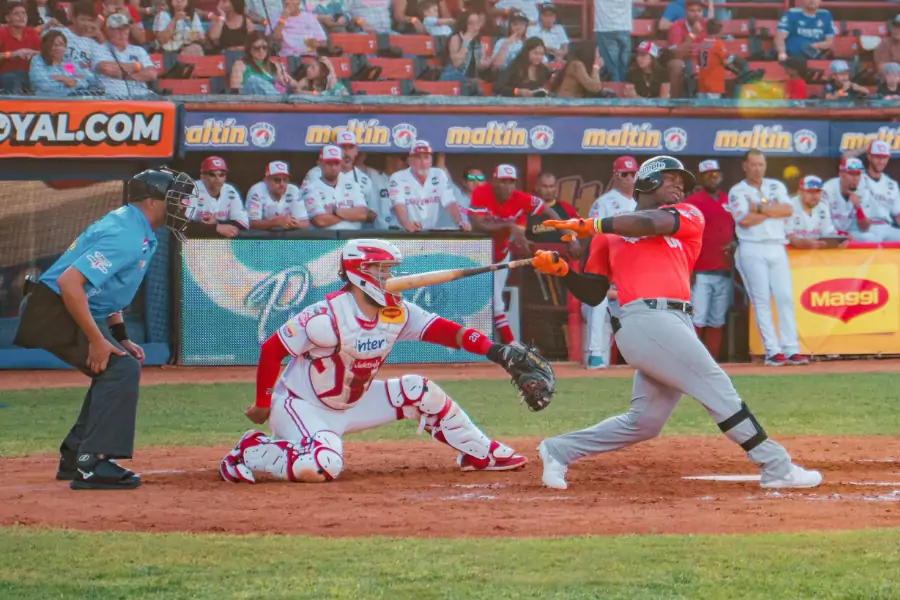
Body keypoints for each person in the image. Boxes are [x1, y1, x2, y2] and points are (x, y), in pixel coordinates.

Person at [533, 155, 823, 491]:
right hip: (643, 319)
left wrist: (595, 224)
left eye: (682, 184)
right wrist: (563, 271)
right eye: (671, 180)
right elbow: (594, 293)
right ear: (648, 182)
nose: (678, 187)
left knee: (644, 422)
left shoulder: (687, 215)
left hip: (677, 321)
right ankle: (776, 465)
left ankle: (558, 450)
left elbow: (649, 223)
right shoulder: (607, 235)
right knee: (716, 385)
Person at [218, 238, 532, 484]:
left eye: (390, 270)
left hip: (352, 404)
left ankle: (480, 453)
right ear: (360, 273)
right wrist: (263, 402)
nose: (390, 277)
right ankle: (250, 450)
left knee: (419, 390)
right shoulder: (325, 318)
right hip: (302, 406)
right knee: (322, 466)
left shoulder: (397, 311)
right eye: (382, 270)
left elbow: (448, 332)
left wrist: (496, 351)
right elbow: (272, 350)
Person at [13, 167, 196, 491]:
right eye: (175, 198)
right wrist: (99, 341)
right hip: (53, 308)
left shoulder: (138, 229)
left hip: (64, 306)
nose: (182, 205)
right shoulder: (126, 233)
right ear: (152, 202)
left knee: (118, 365)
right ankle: (92, 462)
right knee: (120, 370)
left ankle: (76, 458)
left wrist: (120, 337)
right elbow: (71, 284)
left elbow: (108, 292)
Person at [728, 149, 805, 367]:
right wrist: (772, 210)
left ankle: (791, 348)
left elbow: (788, 209)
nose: (758, 169)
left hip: (777, 246)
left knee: (785, 298)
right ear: (745, 166)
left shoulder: (776, 186)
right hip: (752, 246)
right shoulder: (737, 190)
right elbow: (744, 220)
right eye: (753, 164)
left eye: (761, 164)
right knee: (761, 300)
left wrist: (759, 207)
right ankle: (773, 350)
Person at [468, 163, 552, 344]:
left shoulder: (519, 198)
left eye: (511, 182)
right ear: (494, 181)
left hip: (501, 255)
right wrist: (508, 226)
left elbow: (547, 209)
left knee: (495, 303)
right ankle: (512, 346)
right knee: (493, 303)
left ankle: (504, 347)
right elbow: (479, 224)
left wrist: (570, 234)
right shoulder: (482, 192)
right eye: (503, 181)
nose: (507, 186)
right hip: (478, 255)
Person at [583, 156, 637, 369]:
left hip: (632, 270)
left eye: (633, 174)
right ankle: (594, 354)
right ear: (615, 176)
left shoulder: (642, 203)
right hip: (607, 267)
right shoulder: (604, 202)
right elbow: (594, 233)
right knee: (599, 300)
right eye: (624, 174)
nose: (629, 178)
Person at [685, 159, 734, 360]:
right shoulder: (694, 202)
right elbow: (687, 237)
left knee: (717, 319)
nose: (712, 179)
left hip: (724, 269)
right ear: (701, 178)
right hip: (701, 271)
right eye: (707, 175)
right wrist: (690, 269)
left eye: (715, 175)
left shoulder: (728, 200)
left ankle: (711, 359)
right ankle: (693, 359)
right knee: (698, 317)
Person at [389, 140, 468, 232]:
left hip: (428, 231)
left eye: (426, 158)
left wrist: (460, 222)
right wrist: (408, 224)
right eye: (418, 158)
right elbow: (399, 206)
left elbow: (450, 203)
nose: (423, 162)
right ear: (409, 161)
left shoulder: (439, 174)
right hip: (401, 232)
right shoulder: (398, 177)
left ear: (431, 160)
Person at [303, 145, 375, 231]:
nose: (333, 168)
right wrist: (351, 214)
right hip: (324, 240)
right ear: (321, 164)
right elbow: (320, 221)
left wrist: (334, 211)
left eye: (336, 163)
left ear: (341, 164)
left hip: (352, 239)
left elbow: (362, 214)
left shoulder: (353, 185)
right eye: (329, 163)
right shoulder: (310, 188)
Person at [93, 13, 158, 98]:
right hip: (113, 98)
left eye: (125, 28)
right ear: (108, 30)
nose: (123, 33)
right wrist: (136, 66)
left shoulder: (138, 50)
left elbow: (152, 74)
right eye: (118, 29)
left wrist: (125, 76)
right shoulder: (100, 49)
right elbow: (107, 69)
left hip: (142, 96)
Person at [190, 155, 248, 237]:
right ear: (202, 176)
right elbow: (182, 225)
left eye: (222, 174)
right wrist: (215, 228)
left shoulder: (230, 191)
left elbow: (243, 224)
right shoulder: (192, 189)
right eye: (212, 174)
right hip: (194, 240)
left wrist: (216, 225)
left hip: (221, 241)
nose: (217, 178)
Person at [29, 27, 97, 95]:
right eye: (54, 44)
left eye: (61, 44)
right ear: (46, 46)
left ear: (65, 47)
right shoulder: (38, 60)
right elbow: (44, 85)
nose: (58, 48)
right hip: (47, 101)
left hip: (70, 100)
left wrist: (65, 79)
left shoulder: (68, 64)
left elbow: (86, 82)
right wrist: (70, 83)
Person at [855, 140, 900, 242]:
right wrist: (864, 148)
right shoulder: (857, 178)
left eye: (884, 157)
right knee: (873, 239)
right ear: (869, 157)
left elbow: (898, 215)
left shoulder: (892, 184)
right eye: (878, 157)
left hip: (887, 227)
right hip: (866, 228)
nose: (881, 161)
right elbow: (845, 160)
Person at [786, 175, 845, 249]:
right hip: (792, 253)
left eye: (817, 191)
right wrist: (799, 242)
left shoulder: (823, 206)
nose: (814, 196)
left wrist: (837, 241)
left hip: (816, 253)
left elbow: (828, 232)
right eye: (810, 192)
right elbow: (788, 235)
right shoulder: (789, 206)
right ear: (799, 192)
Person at [247, 161, 309, 231]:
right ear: (266, 180)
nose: (282, 184)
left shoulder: (293, 190)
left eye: (285, 180)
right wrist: (276, 222)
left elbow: (305, 223)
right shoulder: (256, 191)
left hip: (287, 237)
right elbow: (252, 224)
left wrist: (289, 222)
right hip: (262, 238)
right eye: (277, 180)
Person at [229, 30, 296, 94]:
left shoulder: (275, 65)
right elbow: (235, 89)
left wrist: (287, 80)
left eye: (264, 47)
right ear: (249, 49)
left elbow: (295, 84)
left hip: (275, 99)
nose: (261, 51)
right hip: (252, 101)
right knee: (254, 81)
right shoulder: (240, 64)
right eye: (257, 48)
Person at [43, 0, 100, 72]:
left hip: (82, 80)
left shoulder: (92, 43)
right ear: (73, 18)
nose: (86, 23)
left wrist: (100, 36)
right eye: (82, 19)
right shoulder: (58, 32)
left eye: (89, 20)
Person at [822, 157, 871, 238]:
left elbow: (865, 228)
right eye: (851, 174)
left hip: (849, 231)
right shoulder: (828, 190)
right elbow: (822, 224)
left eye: (858, 174)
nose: (855, 178)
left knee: (870, 238)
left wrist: (858, 208)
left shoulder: (864, 191)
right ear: (841, 174)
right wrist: (843, 235)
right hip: (829, 233)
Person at [666, 0, 705, 98]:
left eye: (699, 11)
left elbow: (708, 49)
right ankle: (674, 105)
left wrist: (705, 64)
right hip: (683, 61)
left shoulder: (706, 24)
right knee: (677, 65)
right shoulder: (677, 26)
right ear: (686, 12)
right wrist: (693, 35)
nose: (696, 14)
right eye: (692, 11)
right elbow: (676, 54)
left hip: (701, 59)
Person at [0, 1, 40, 93]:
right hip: (6, 76)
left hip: (30, 74)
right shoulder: (2, 33)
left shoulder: (31, 32)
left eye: (23, 13)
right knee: (12, 79)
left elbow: (46, 53)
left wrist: (31, 52)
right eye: (16, 13)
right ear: (7, 18)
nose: (21, 17)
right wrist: (12, 54)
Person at [440, 10, 490, 82]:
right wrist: (465, 43)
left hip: (470, 80)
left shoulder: (479, 42)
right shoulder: (456, 38)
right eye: (471, 24)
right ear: (464, 25)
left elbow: (478, 65)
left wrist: (485, 64)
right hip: (454, 77)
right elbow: (456, 63)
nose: (475, 27)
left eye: (477, 23)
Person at [593, 0, 631, 82]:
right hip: (624, 27)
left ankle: (616, 92)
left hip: (605, 28)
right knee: (623, 66)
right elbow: (640, 8)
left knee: (613, 68)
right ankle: (623, 91)